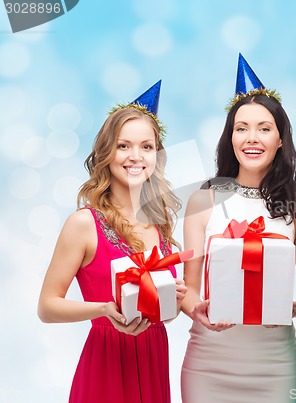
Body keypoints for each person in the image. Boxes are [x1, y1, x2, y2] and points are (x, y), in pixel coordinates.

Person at [37, 80, 187, 403]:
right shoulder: (83, 224)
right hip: (106, 363)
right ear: (107, 153)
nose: (136, 156)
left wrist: (171, 301)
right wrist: (104, 311)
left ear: (156, 156)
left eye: (146, 147)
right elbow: (47, 306)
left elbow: (161, 313)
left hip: (153, 358)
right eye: (124, 146)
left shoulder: (159, 222)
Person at [180, 54, 296, 403]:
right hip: (209, 361)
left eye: (264, 128)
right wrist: (197, 310)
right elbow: (189, 289)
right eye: (242, 128)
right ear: (231, 137)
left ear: (281, 139)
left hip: (274, 362)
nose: (251, 138)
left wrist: (291, 309)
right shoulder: (203, 200)